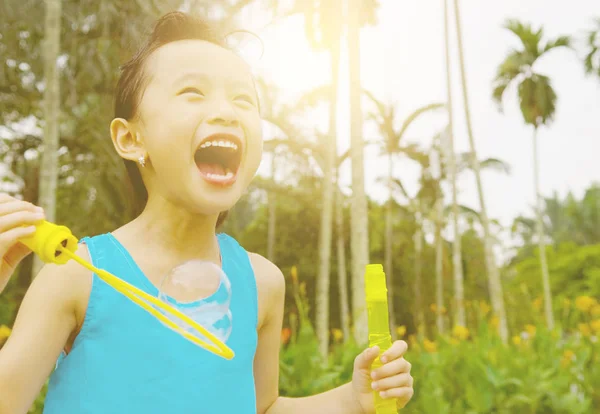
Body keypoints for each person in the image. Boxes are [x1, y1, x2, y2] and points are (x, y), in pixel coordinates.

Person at [0, 11, 413, 414]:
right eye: (193, 93)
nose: (226, 112)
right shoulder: (76, 276)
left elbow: (262, 406)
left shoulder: (262, 283)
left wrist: (351, 400)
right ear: (130, 138)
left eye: (243, 99)